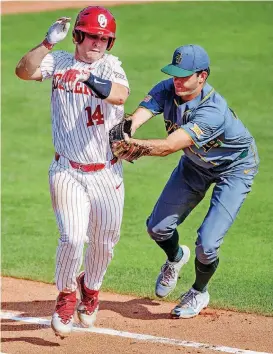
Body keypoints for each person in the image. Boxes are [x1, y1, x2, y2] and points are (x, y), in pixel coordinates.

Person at [120, 44, 259, 318]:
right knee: (157, 228)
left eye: (185, 76)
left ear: (202, 77)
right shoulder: (167, 89)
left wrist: (132, 147)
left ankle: (198, 291)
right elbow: (136, 119)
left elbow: (170, 145)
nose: (177, 81)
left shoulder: (212, 112)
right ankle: (175, 258)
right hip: (195, 164)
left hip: (234, 169)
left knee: (207, 244)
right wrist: (125, 131)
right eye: (175, 74)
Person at [15, 6, 129, 338]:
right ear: (78, 34)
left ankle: (90, 289)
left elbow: (120, 93)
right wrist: (46, 44)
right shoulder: (59, 61)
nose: (98, 43)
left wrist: (88, 78)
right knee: (72, 237)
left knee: (105, 243)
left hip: (107, 173)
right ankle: (66, 295)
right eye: (92, 35)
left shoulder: (111, 66)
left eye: (105, 38)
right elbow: (23, 71)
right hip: (66, 170)